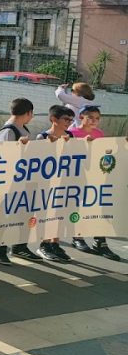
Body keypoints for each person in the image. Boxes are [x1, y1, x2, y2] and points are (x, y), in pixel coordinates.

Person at [0, 97, 41, 265]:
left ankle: (20, 246)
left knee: (24, 212)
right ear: (28, 113)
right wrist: (18, 146)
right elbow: (5, 155)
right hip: (8, 183)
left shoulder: (22, 128)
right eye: (31, 114)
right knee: (5, 215)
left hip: (23, 180)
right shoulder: (9, 130)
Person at [67, 106, 120, 261]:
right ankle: (78, 237)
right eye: (90, 117)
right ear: (81, 116)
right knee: (77, 207)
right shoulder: (72, 133)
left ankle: (100, 242)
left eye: (97, 118)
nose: (94, 121)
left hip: (96, 176)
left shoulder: (99, 134)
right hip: (77, 176)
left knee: (99, 206)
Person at [33, 105, 76, 262]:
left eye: (71, 120)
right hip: (47, 183)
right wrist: (50, 145)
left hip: (64, 182)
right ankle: (44, 244)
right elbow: (37, 160)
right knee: (47, 214)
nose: (69, 122)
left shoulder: (70, 135)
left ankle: (55, 244)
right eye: (66, 119)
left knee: (59, 213)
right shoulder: (42, 136)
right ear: (54, 119)